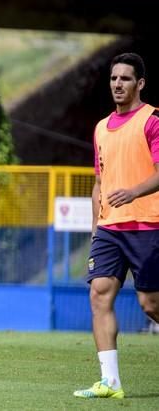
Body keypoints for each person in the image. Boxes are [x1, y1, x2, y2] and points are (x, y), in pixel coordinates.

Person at [74, 52, 159, 399]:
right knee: (99, 294)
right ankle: (110, 382)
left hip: (148, 223)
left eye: (125, 79)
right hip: (110, 228)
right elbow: (100, 181)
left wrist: (134, 192)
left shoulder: (153, 121)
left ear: (139, 83)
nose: (117, 85)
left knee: (151, 304)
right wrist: (96, 224)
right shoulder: (100, 128)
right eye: (113, 79)